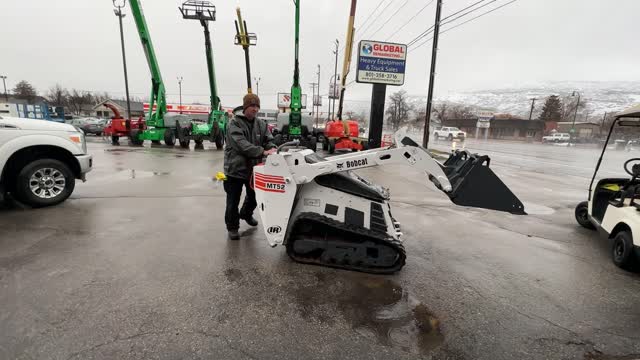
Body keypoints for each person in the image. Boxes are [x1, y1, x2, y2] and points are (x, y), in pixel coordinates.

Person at [223, 93, 276, 240]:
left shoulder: (261, 124)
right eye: (252, 106)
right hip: (235, 169)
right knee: (233, 200)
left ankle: (246, 213)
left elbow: (268, 140)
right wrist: (263, 151)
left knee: (255, 196)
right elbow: (241, 145)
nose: (255, 109)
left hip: (253, 169)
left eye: (257, 106)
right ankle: (232, 227)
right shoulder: (234, 123)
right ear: (245, 107)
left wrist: (272, 148)